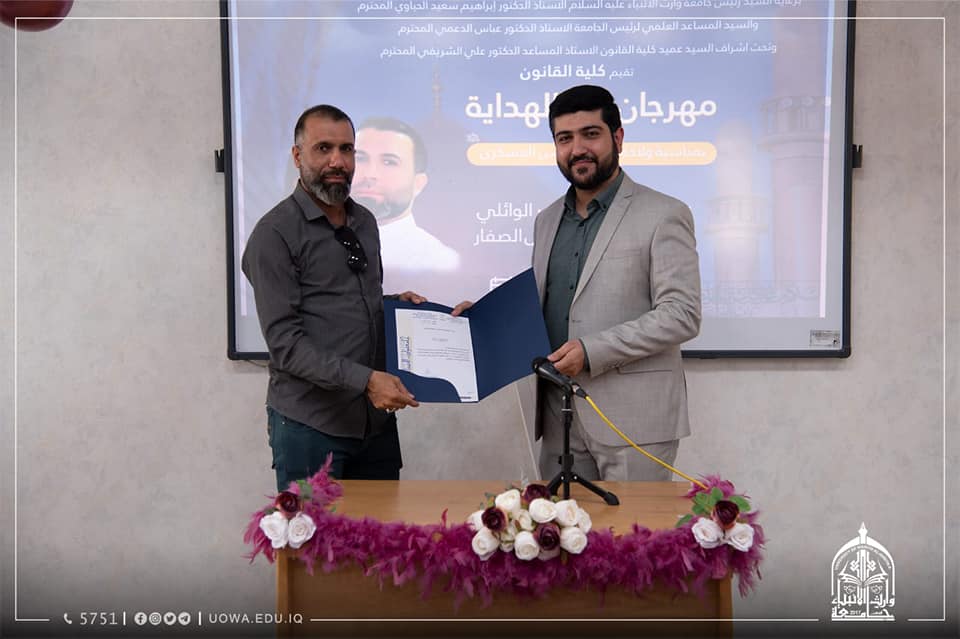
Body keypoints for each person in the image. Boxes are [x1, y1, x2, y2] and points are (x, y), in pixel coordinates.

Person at [455, 85, 701, 481]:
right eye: (564, 138)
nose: (577, 149)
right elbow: (543, 308)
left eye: (590, 134)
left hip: (634, 421)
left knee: (634, 523)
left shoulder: (664, 213)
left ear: (618, 137)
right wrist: (484, 320)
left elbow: (681, 314)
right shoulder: (547, 220)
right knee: (560, 523)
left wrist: (591, 351)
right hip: (558, 416)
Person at [242, 105, 424, 490]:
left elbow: (345, 302)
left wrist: (395, 308)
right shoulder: (274, 234)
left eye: (346, 149)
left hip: (374, 425)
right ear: (297, 156)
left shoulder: (365, 222)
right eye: (323, 148)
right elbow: (285, 345)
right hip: (311, 429)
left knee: (382, 530)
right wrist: (366, 380)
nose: (337, 161)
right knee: (313, 532)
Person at [352, 117, 460, 276]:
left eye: (389, 162)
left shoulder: (438, 261)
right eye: (360, 159)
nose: (369, 175)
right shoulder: (320, 241)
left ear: (418, 183)